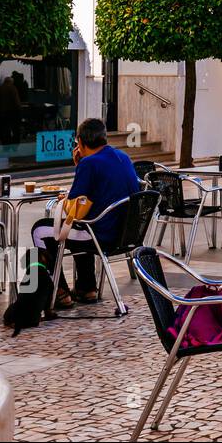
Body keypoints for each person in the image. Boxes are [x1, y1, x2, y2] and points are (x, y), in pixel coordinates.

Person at [31, 118, 139, 308]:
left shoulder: (89, 163)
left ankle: (59, 292)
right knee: (80, 227)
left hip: (101, 235)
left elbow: (77, 210)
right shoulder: (124, 157)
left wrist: (76, 174)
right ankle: (86, 288)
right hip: (126, 234)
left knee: (40, 229)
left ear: (80, 142)